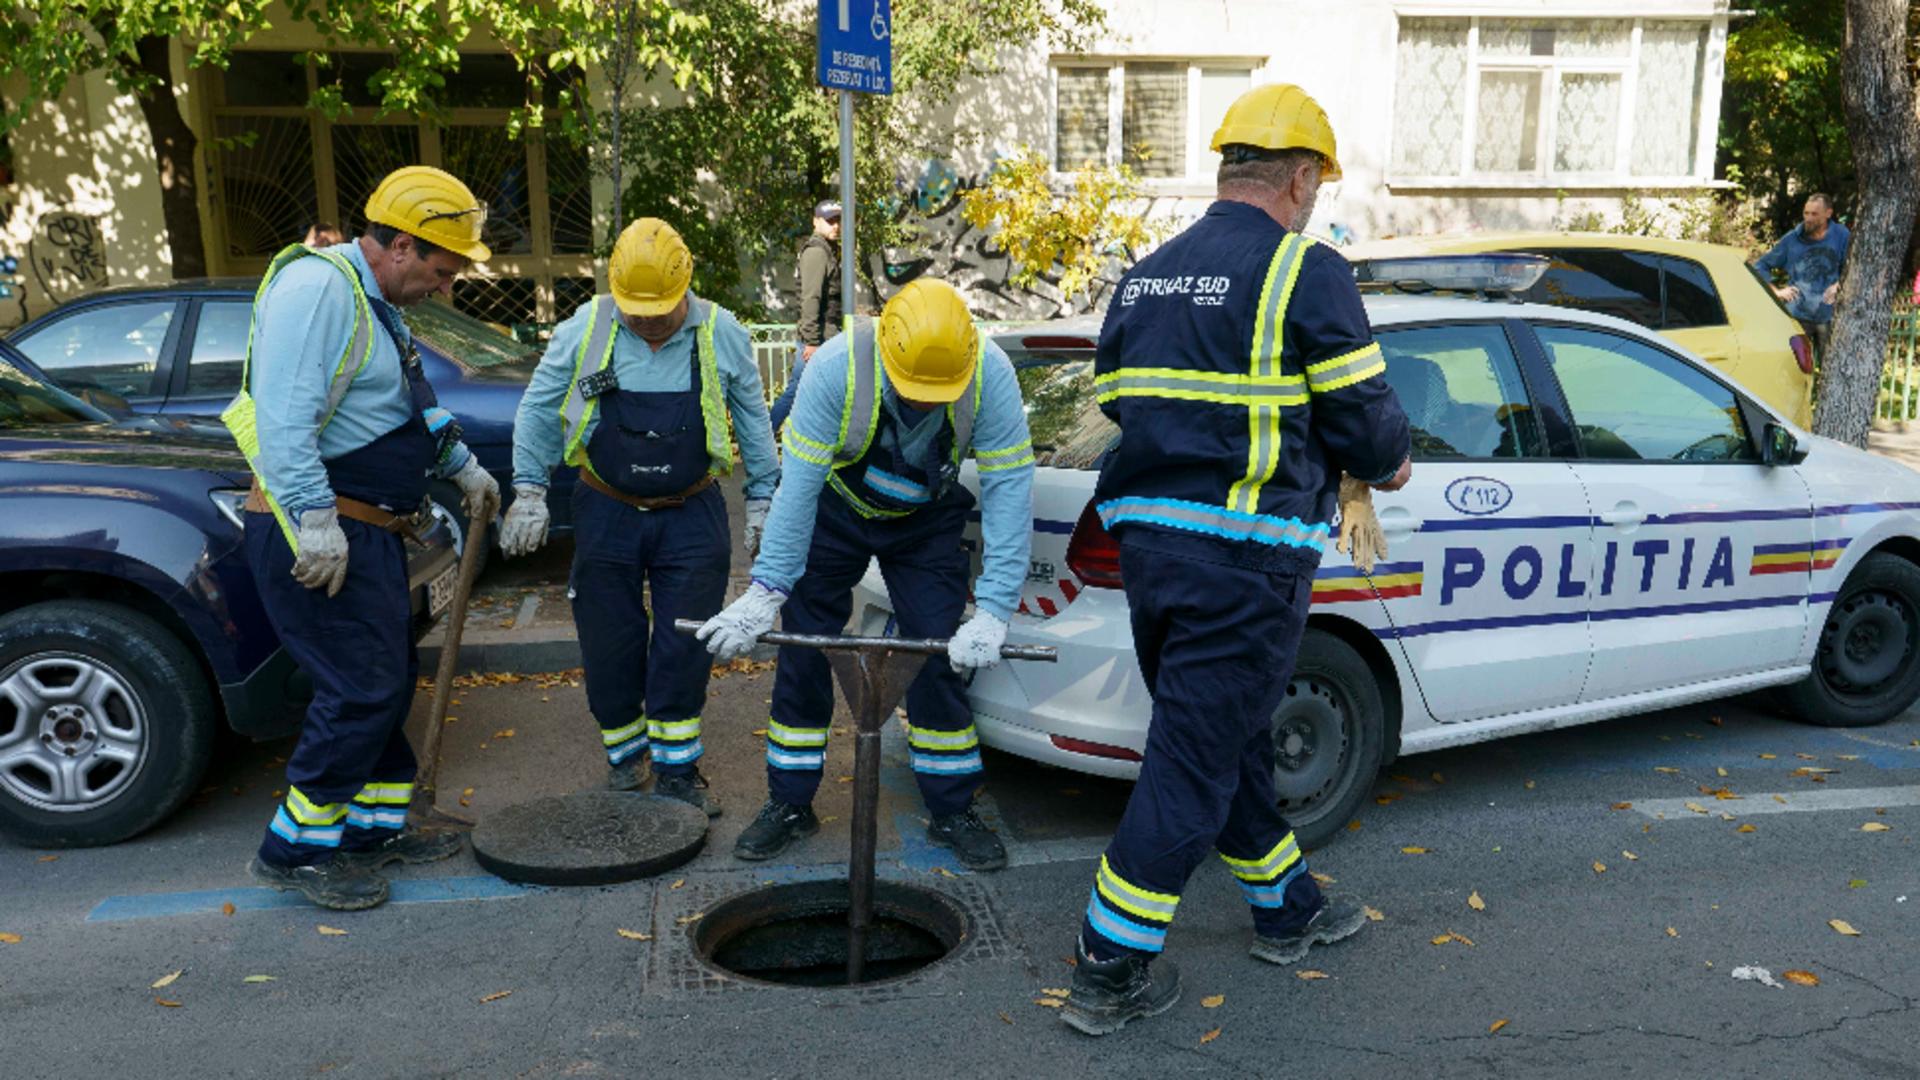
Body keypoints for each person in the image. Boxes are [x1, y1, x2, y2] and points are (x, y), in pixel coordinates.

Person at [1056, 83, 1413, 1036]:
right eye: (1317, 186)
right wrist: (1382, 465)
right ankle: (1108, 967)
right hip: (1245, 562)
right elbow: (1370, 429)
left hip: (1151, 557)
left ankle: (1286, 910)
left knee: (1222, 738)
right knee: (1191, 760)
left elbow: (1124, 405)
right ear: (1300, 178)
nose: (1316, 202)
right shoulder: (1307, 270)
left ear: (1229, 169)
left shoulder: (1149, 275)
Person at [225, 166, 500, 911]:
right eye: (442, 271)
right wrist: (314, 522)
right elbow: (283, 420)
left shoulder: (373, 301)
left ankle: (373, 827)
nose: (446, 287)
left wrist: (464, 467)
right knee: (360, 688)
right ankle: (294, 851)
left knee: (384, 681)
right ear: (402, 245)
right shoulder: (319, 291)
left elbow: (407, 403)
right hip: (318, 534)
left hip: (366, 531)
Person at [698, 278, 1035, 870]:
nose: (928, 402)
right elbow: (796, 487)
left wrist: (995, 610)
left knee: (936, 652)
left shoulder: (991, 374)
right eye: (916, 392)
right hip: (834, 513)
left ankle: (953, 807)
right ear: (886, 350)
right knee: (805, 648)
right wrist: (766, 589)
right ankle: (789, 803)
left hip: (925, 521)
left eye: (939, 393)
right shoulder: (834, 369)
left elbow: (1010, 490)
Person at [498, 219, 776, 815]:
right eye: (636, 310)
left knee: (686, 643)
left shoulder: (720, 332)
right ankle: (625, 758)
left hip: (692, 514)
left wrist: (762, 499)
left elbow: (752, 416)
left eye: (660, 309)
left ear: (686, 289)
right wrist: (527, 488)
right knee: (609, 641)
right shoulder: (588, 326)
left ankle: (677, 772)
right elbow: (541, 407)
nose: (647, 321)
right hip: (606, 510)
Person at [769, 201, 844, 433]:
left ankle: (761, 439)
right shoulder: (816, 252)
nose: (836, 226)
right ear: (815, 221)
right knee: (796, 393)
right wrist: (811, 341)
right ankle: (760, 440)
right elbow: (811, 299)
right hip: (818, 339)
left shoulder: (825, 250)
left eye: (839, 220)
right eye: (830, 220)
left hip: (825, 337)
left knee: (811, 393)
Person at [1755, 193, 1850, 359]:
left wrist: (1837, 286)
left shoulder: (1841, 235)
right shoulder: (1792, 239)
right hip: (1797, 317)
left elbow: (1851, 268)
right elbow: (1761, 266)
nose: (1808, 218)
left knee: (1831, 367)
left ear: (1828, 213)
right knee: (1795, 370)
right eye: (1806, 213)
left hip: (1829, 316)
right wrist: (1776, 292)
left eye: (1814, 214)